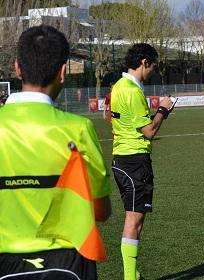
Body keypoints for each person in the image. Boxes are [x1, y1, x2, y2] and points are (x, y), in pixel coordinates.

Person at [0, 25, 111, 279]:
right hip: (69, 264)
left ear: (17, 67)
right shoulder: (79, 129)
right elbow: (101, 211)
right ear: (63, 72)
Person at [110, 43, 173, 280]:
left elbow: (111, 117)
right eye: (153, 66)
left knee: (135, 215)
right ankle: (129, 276)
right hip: (134, 161)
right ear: (144, 62)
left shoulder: (118, 86)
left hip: (122, 158)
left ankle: (132, 273)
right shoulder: (131, 90)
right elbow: (149, 131)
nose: (153, 71)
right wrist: (163, 109)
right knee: (134, 218)